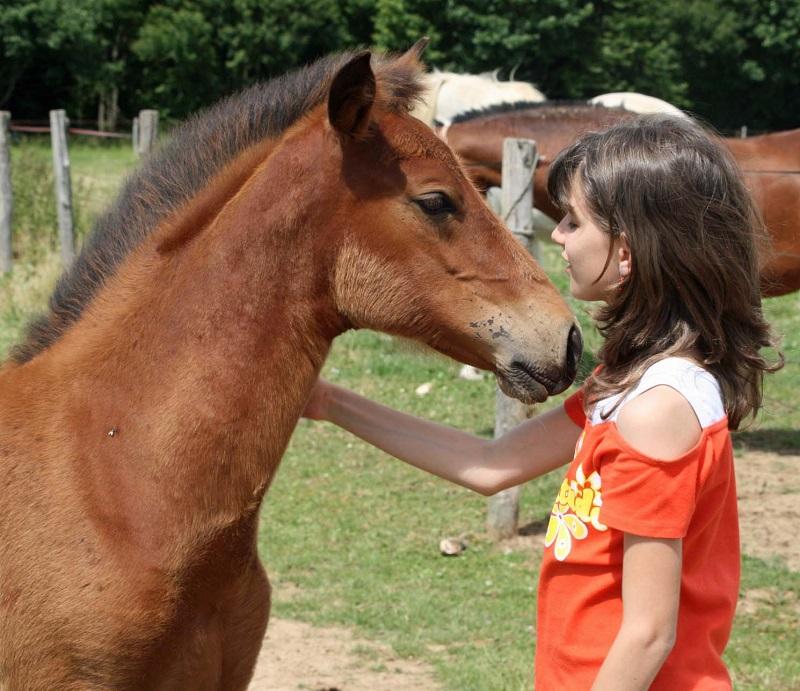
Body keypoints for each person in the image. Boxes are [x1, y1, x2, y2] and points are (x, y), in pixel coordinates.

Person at [302, 115, 782, 690]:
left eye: (574, 222)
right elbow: (492, 465)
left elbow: (649, 632)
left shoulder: (657, 411)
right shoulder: (628, 384)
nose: (556, 235)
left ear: (626, 253)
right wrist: (329, 402)